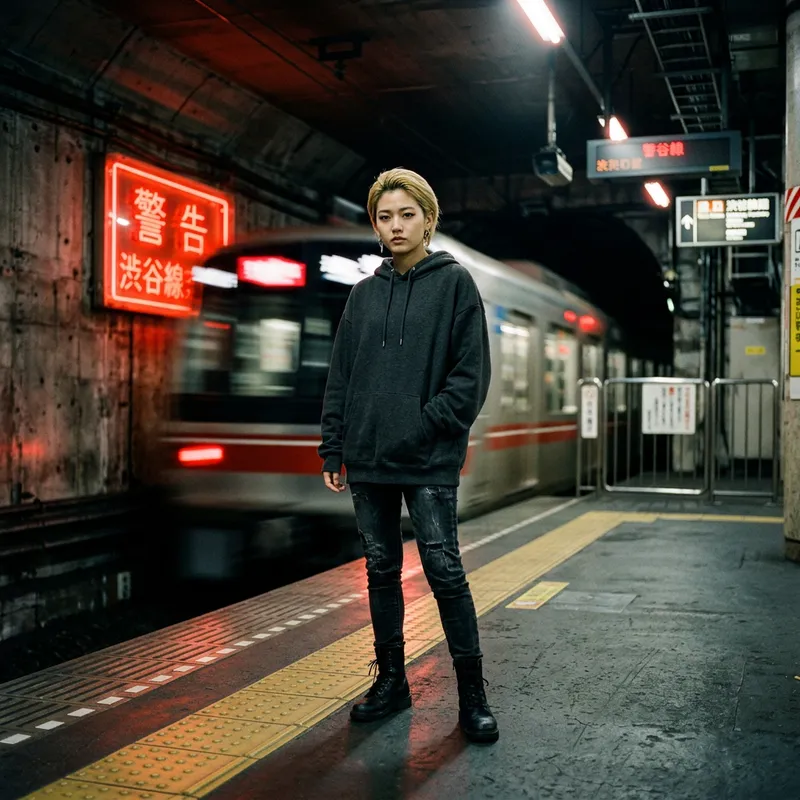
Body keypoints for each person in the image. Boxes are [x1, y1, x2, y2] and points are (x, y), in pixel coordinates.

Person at [318, 167, 498, 744]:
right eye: (384, 216)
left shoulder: (455, 286)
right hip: (368, 460)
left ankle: (473, 695)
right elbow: (340, 377)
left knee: (445, 571)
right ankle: (392, 681)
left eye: (406, 215)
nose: (395, 226)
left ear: (428, 218)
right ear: (375, 224)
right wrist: (334, 444)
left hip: (426, 460)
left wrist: (423, 430)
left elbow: (469, 380)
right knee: (380, 572)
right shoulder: (363, 295)